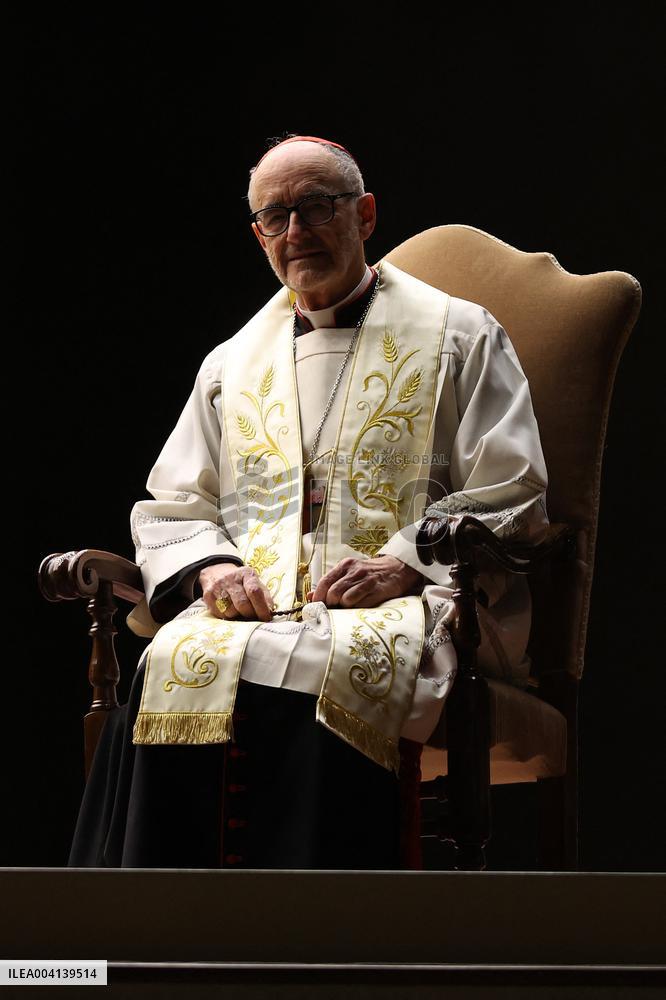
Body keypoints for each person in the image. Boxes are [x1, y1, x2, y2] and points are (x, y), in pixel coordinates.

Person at [69, 134, 549, 871]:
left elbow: (513, 490)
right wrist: (212, 571)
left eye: (317, 208)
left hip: (409, 605)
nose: (296, 232)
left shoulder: (461, 333)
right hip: (254, 607)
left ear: (365, 215)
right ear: (258, 234)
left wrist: (403, 564)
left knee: (334, 662)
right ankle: (155, 938)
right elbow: (174, 505)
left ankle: (328, 937)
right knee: (173, 658)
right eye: (275, 215)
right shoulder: (233, 362)